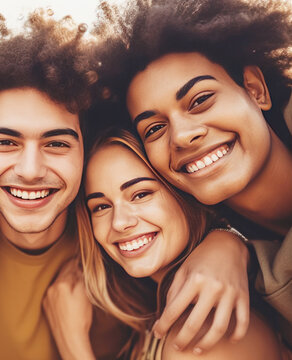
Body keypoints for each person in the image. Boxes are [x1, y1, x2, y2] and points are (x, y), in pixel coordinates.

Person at [90, 0, 292, 351]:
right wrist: (229, 241)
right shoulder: (222, 250)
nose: (182, 136)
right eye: (154, 128)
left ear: (255, 89)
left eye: (200, 100)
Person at [0, 10, 130, 360]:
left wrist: (233, 249)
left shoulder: (123, 240)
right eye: (6, 142)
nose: (32, 170)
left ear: (84, 151)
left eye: (57, 143)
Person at [63, 129, 291, 359]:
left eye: (141, 194)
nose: (120, 222)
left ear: (185, 196)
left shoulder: (203, 334)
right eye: (101, 207)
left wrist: (72, 342)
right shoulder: (158, 315)